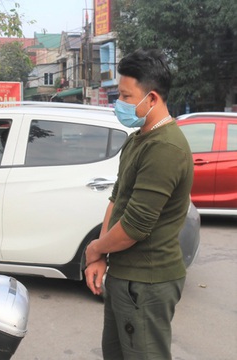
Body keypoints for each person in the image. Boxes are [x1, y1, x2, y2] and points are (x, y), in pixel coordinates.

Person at [84, 48, 193, 359]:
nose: (119, 104)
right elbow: (117, 200)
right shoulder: (137, 139)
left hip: (147, 281)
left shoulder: (166, 149)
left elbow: (135, 226)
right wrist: (100, 256)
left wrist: (95, 248)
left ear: (153, 99)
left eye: (126, 96)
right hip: (124, 276)